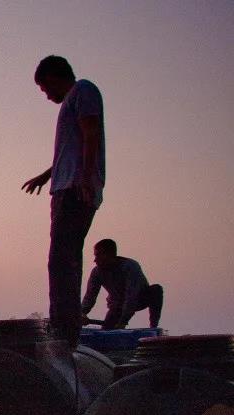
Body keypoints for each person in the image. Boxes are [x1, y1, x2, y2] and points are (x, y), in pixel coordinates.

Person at [22, 55, 105, 348]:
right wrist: (47, 175)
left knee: (62, 260)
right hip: (66, 185)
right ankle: (64, 324)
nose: (46, 95)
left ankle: (64, 329)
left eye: (46, 88)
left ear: (56, 78)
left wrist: (84, 177)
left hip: (73, 189)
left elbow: (90, 131)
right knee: (63, 257)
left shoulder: (82, 90)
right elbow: (70, 149)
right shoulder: (75, 98)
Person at [82, 239, 164, 329]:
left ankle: (153, 327)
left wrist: (123, 321)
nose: (95, 260)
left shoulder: (130, 267)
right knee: (107, 331)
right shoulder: (96, 272)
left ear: (109, 255)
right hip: (117, 306)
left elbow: (131, 296)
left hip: (139, 299)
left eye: (98, 255)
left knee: (156, 290)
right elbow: (89, 297)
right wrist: (82, 313)